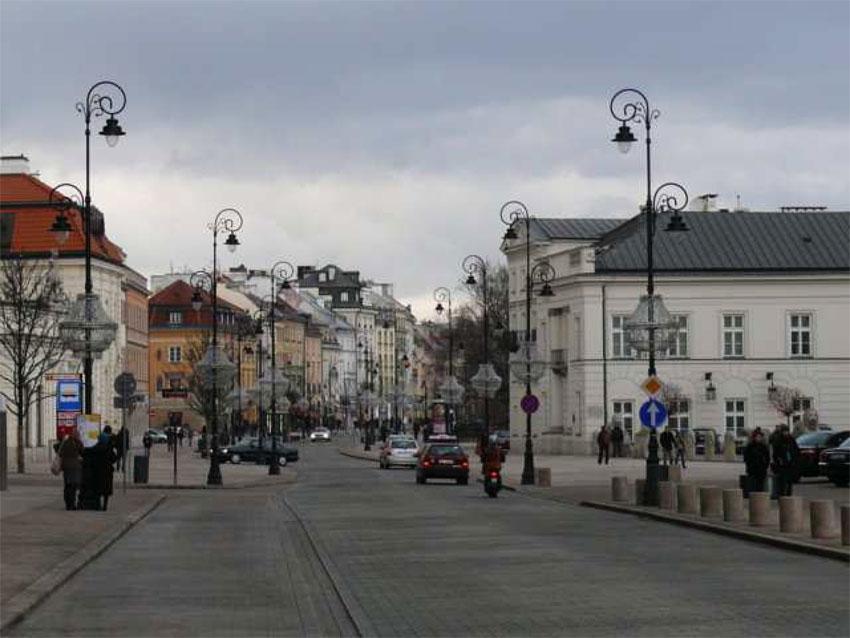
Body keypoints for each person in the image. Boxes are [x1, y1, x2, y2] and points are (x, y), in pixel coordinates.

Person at [56, 431, 84, 510]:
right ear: (76, 436)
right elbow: (82, 451)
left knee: (67, 486)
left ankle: (67, 504)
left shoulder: (65, 443)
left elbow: (60, 453)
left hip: (66, 467)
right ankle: (72, 504)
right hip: (75, 468)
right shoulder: (78, 443)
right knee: (73, 486)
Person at [92, 428, 117, 511]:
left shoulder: (95, 448)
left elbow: (93, 459)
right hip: (107, 471)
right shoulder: (109, 448)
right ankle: (105, 506)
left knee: (97, 489)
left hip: (97, 471)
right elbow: (114, 458)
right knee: (106, 491)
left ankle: (97, 505)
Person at [771, 426, 800, 497]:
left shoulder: (791, 440)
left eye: (787, 431)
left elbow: (796, 451)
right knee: (782, 482)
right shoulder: (778, 440)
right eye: (784, 431)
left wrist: (795, 461)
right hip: (782, 465)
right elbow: (775, 454)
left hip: (790, 464)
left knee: (790, 482)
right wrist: (778, 461)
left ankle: (789, 496)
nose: (786, 433)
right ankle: (782, 496)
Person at [743, 428, 770, 494]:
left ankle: (759, 499)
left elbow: (767, 457)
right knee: (753, 485)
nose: (758, 438)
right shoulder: (750, 446)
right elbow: (746, 457)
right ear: (754, 437)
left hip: (761, 469)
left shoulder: (764, 446)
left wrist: (765, 465)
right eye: (757, 437)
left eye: (760, 437)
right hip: (752, 469)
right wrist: (749, 465)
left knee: (760, 486)